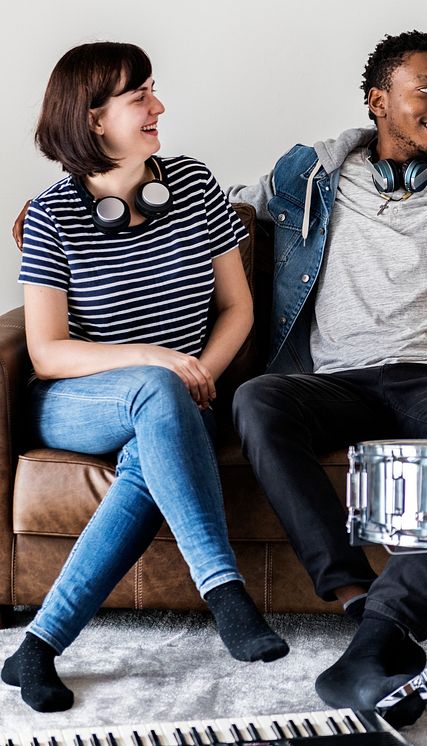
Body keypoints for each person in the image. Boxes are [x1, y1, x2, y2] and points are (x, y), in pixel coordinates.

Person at [225, 30, 427, 725]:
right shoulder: (307, 174)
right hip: (338, 380)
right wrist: (78, 202)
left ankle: (384, 632)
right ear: (378, 102)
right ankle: (353, 594)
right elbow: (216, 210)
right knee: (258, 400)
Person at [2, 42, 288, 713]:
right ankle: (224, 591)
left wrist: (199, 376)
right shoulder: (52, 215)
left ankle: (37, 648)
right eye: (139, 97)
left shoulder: (191, 184)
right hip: (77, 401)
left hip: (181, 401)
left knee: (148, 453)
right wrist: (158, 360)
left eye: (153, 90)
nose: (158, 106)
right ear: (94, 119)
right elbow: (46, 352)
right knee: (152, 388)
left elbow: (237, 306)